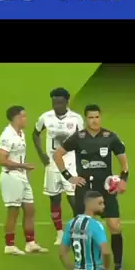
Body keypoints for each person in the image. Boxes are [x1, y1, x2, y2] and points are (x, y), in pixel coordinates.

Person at [54, 104, 130, 270]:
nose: (94, 120)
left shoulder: (110, 137)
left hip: (106, 190)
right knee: (82, 229)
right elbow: (58, 155)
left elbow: (124, 163)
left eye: (97, 117)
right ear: (85, 119)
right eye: (90, 117)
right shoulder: (78, 137)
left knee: (115, 226)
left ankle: (118, 268)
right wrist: (69, 177)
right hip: (85, 190)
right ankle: (84, 265)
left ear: (100, 117)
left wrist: (123, 180)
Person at [33, 88, 84, 246]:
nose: (57, 106)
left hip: (71, 164)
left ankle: (77, 232)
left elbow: (83, 139)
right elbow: (35, 133)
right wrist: (41, 154)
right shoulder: (45, 117)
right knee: (54, 199)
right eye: (54, 102)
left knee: (74, 199)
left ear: (67, 102)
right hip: (52, 166)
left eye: (60, 102)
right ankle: (60, 233)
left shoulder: (76, 119)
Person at [0, 106, 49, 256]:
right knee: (13, 211)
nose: (26, 119)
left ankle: (30, 243)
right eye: (23, 116)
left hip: (22, 176)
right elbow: (2, 160)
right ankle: (9, 245)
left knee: (30, 209)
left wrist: (25, 171)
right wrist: (23, 166)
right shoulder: (7, 136)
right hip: (11, 176)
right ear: (16, 118)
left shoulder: (21, 134)